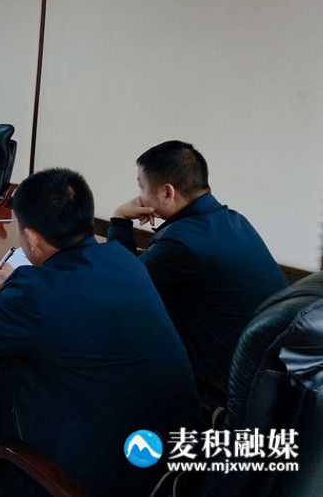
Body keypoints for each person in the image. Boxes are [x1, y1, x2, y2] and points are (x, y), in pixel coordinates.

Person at [0, 168, 200, 497]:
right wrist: (16, 286)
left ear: (32, 238)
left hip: (75, 483)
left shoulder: (37, 296)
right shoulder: (124, 260)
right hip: (161, 472)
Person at [107, 140, 287, 394]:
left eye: (142, 186)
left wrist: (119, 217)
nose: (139, 196)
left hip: (219, 382)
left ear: (167, 192)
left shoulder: (180, 242)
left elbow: (119, 286)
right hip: (266, 375)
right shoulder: (234, 220)